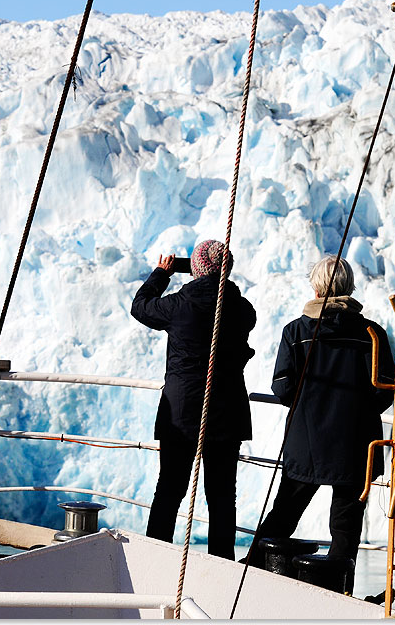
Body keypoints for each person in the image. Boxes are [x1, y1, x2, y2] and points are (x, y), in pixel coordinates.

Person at [250, 255, 394, 585]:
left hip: (307, 441)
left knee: (285, 512)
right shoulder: (372, 333)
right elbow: (385, 390)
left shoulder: (297, 331)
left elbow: (282, 386)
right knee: (346, 524)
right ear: (350, 287)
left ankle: (256, 572)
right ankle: (340, 590)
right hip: (357, 445)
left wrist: (310, 407)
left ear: (316, 286)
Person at [131, 239, 256, 559]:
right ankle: (221, 565)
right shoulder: (243, 309)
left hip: (183, 414)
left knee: (169, 490)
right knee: (222, 497)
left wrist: (162, 273)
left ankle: (155, 558)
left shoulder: (179, 305)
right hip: (228, 413)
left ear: (196, 269)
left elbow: (141, 305)